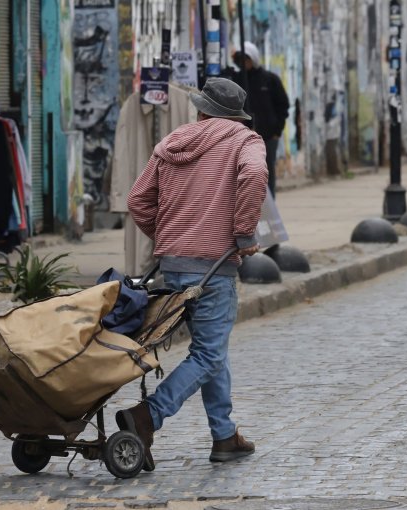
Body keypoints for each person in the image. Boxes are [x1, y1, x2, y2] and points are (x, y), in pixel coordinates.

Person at [120, 78, 269, 471]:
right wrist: (243, 233)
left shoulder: (173, 142)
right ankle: (148, 416)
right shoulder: (245, 140)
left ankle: (224, 435)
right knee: (208, 352)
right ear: (235, 115)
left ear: (202, 110)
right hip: (213, 267)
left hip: (172, 266)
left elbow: (137, 200)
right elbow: (254, 177)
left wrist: (168, 235)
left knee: (211, 348)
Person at [231, 42, 290, 196]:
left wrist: (277, 130)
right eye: (240, 60)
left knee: (266, 170)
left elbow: (283, 106)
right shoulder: (237, 80)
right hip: (242, 135)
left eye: (246, 59)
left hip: (268, 135)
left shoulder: (270, 80)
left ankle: (270, 207)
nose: (244, 63)